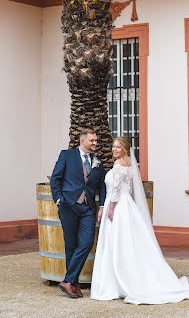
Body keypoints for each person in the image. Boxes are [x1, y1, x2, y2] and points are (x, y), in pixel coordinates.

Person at [90, 136, 189, 305]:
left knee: (117, 242)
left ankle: (116, 281)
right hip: (127, 205)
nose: (114, 149)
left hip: (118, 207)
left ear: (125, 149)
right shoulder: (129, 164)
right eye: (113, 146)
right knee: (129, 241)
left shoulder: (119, 165)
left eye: (118, 147)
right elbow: (127, 189)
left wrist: (111, 209)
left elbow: (114, 191)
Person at [50, 128, 106, 299]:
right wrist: (59, 199)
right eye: (92, 141)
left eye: (96, 140)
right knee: (71, 245)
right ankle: (73, 284)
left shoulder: (98, 161)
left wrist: (102, 205)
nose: (95, 143)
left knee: (87, 243)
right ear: (83, 141)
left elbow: (103, 186)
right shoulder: (67, 155)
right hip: (68, 206)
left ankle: (67, 280)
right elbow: (55, 178)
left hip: (88, 209)